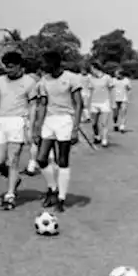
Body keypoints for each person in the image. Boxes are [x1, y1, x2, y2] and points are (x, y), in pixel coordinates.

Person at [31, 49, 84, 212]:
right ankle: (52, 188)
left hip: (65, 121)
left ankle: (61, 198)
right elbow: (43, 104)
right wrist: (37, 128)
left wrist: (75, 128)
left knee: (62, 160)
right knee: (41, 159)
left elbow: (79, 104)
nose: (42, 66)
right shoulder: (44, 81)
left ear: (54, 63)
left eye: (45, 63)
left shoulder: (71, 78)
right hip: (49, 121)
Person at [0, 51, 38, 210]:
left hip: (18, 122)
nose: (8, 70)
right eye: (6, 67)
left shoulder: (29, 82)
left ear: (20, 66)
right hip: (1, 122)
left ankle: (10, 195)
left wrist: (30, 127)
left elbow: (33, 106)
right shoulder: (0, 81)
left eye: (11, 67)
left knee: (13, 159)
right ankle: (14, 179)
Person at [85, 61, 113, 146]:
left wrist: (112, 101)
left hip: (104, 102)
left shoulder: (107, 77)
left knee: (104, 123)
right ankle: (97, 136)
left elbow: (111, 89)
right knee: (94, 123)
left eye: (91, 69)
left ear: (95, 68)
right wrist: (87, 102)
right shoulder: (90, 78)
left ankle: (104, 139)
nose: (91, 71)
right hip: (94, 103)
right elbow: (90, 90)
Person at [111, 67, 132, 132]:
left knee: (123, 113)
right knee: (115, 114)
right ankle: (115, 124)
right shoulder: (113, 80)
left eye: (117, 74)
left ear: (121, 74)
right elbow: (109, 87)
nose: (115, 75)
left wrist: (127, 89)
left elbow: (129, 88)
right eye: (115, 74)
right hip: (115, 99)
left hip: (123, 99)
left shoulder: (126, 80)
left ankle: (122, 126)